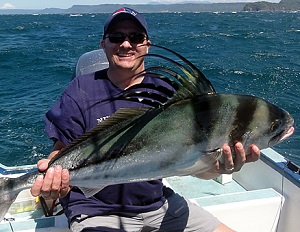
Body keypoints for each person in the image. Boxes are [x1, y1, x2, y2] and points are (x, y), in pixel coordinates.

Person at [31, 7, 260, 232]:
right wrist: (54, 178)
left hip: (158, 205)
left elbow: (191, 165)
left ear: (147, 44)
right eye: (116, 37)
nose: (126, 44)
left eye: (136, 37)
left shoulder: (167, 93)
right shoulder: (81, 89)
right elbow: (61, 150)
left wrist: (218, 167)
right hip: (97, 210)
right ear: (104, 44)